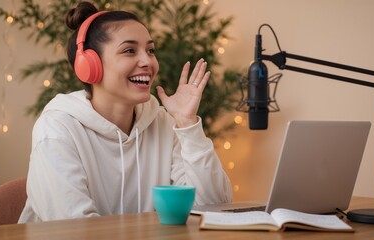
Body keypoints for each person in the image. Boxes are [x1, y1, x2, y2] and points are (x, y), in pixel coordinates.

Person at [18, 1, 232, 223]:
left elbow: (215, 208)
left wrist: (187, 125)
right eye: (129, 51)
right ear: (89, 66)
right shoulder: (57, 129)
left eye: (150, 50)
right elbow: (75, 230)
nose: (147, 61)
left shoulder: (163, 122)